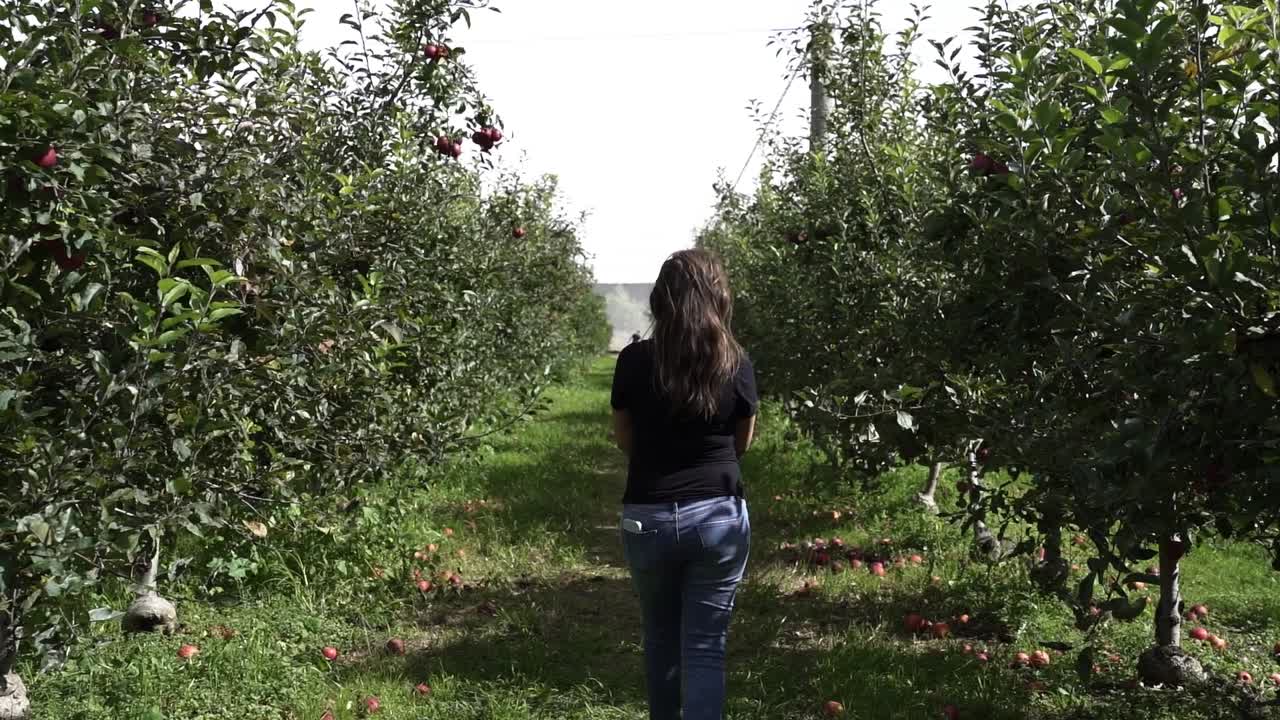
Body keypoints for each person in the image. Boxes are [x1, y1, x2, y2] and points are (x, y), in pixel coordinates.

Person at [609, 249, 758, 720]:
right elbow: (742, 442)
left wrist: (658, 460)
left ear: (661, 300)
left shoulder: (634, 360)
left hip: (648, 515)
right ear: (719, 298)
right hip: (718, 518)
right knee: (705, 645)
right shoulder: (735, 362)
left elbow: (625, 437)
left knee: (660, 637)